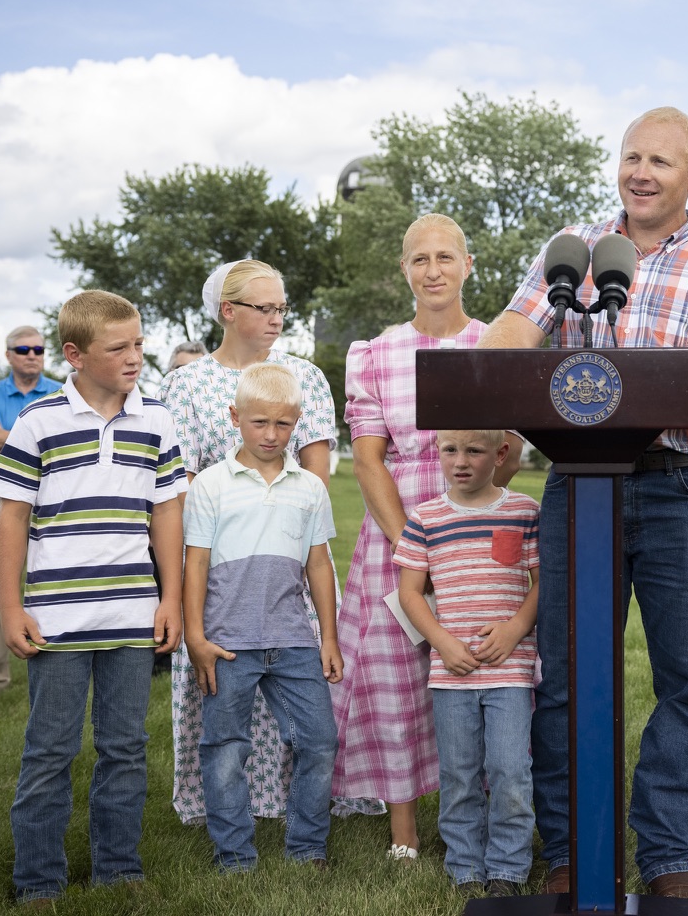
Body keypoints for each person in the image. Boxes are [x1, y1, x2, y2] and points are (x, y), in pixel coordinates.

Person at [478, 106, 688, 900]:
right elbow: (510, 335)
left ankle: (667, 856)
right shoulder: (572, 252)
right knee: (567, 677)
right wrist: (487, 367)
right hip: (578, 483)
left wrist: (641, 388)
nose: (640, 173)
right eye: (631, 156)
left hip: (687, 488)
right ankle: (572, 850)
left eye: (660, 162)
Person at [0, 290, 186, 903]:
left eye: (139, 344)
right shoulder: (39, 420)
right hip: (57, 621)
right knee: (50, 750)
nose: (135, 357)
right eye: (118, 348)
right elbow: (11, 519)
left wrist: (171, 598)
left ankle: (118, 871)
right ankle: (37, 881)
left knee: (125, 749)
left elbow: (167, 513)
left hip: (132, 614)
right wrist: (11, 608)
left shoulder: (157, 419)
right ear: (74, 355)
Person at [331, 213, 510, 859]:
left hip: (480, 526)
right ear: (403, 270)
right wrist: (415, 544)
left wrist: (468, 519)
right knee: (393, 675)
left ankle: (486, 813)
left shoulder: (498, 344)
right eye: (420, 259)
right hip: (397, 528)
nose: (433, 270)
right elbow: (368, 459)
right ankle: (403, 830)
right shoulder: (375, 354)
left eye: (445, 257)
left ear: (468, 265)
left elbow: (510, 451)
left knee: (484, 659)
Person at [159, 259, 338, 827]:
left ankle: (287, 804)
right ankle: (221, 808)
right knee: (226, 693)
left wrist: (290, 536)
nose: (277, 318)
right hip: (217, 562)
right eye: (264, 308)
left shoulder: (305, 376)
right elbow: (182, 485)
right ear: (228, 311)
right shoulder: (187, 384)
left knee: (296, 684)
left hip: (288, 554)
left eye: (282, 307)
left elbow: (314, 476)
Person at [183, 363, 343, 871]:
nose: (271, 435)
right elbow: (195, 564)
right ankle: (234, 854)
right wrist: (195, 637)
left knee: (319, 740)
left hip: (294, 639)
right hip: (227, 642)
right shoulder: (210, 485)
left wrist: (329, 638)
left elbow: (319, 565)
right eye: (259, 423)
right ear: (235, 417)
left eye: (283, 424)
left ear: (297, 422)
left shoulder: (310, 488)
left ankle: (307, 847)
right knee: (226, 748)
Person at [396, 429, 540, 897]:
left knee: (509, 770)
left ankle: (508, 868)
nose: (460, 461)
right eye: (450, 450)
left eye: (474, 451)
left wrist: (515, 628)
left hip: (510, 670)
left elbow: (543, 582)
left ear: (500, 454)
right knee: (459, 774)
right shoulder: (426, 518)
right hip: (451, 674)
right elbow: (409, 592)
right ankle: (465, 866)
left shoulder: (524, 512)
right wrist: (441, 642)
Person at [0, 325, 60, 699]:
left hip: (54, 494)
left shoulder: (60, 390)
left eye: (38, 349)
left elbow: (61, 443)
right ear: (8, 355)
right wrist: (39, 439)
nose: (32, 355)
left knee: (58, 580)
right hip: (0, 495)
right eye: (23, 350)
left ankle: (60, 664)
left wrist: (9, 436)